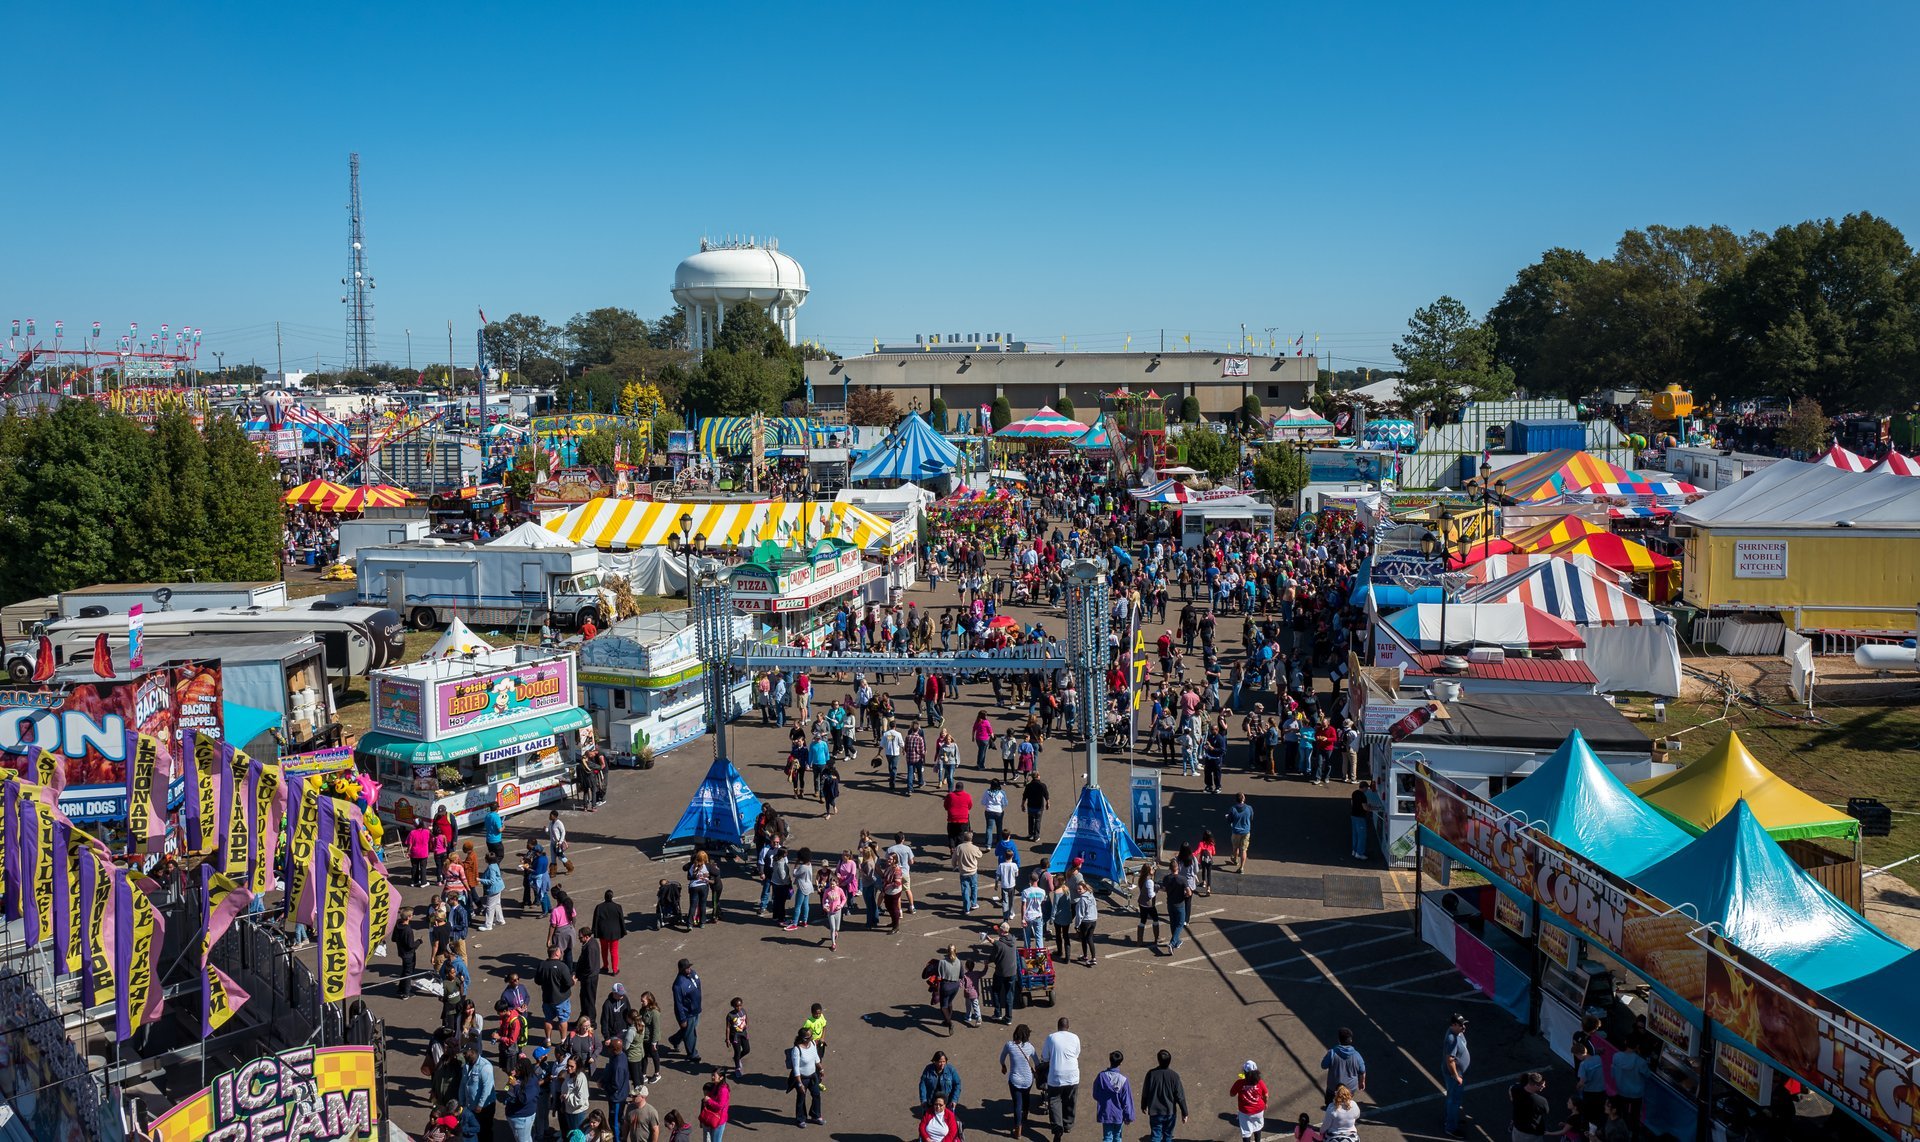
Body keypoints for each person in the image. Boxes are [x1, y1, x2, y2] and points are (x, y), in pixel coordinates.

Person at [1042, 1017, 1083, 1142]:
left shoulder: (1051, 1038)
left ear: (1058, 1027)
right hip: (1072, 1076)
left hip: (1056, 1077)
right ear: (1068, 1027)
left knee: (1054, 1102)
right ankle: (1067, 1124)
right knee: (1070, 1100)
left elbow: (1045, 1057)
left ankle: (1057, 1129)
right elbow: (1076, 1054)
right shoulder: (1075, 1037)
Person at [1140, 1050, 1189, 1142]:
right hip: (1169, 1112)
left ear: (1158, 1060)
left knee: (1155, 1136)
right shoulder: (1174, 1076)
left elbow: (1145, 1091)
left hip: (1155, 1112)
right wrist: (1184, 1112)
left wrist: (1143, 1105)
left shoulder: (1151, 1074)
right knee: (1168, 1136)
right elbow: (1180, 1096)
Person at [1001, 1022, 1040, 1133]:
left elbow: (1001, 1058)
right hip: (1028, 1079)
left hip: (1015, 1080)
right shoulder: (1030, 1047)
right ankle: (1026, 1113)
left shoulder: (1009, 1045)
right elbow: (1037, 1063)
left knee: (1017, 1104)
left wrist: (1003, 1066)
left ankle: (1018, 1129)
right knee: (1026, 1096)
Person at [535, 944, 575, 1044]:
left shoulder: (542, 965)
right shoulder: (562, 966)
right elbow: (569, 983)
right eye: (560, 951)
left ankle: (548, 1039)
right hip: (561, 999)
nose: (561, 952)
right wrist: (573, 981)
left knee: (548, 1019)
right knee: (563, 1020)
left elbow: (537, 981)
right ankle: (563, 1041)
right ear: (557, 953)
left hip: (547, 999)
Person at [1092, 1051, 1135, 1142]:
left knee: (1107, 1138)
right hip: (1119, 1114)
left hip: (1106, 1113)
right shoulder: (1123, 1080)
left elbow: (1096, 1094)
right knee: (1117, 1137)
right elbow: (1127, 1100)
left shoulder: (1101, 1076)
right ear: (1121, 1063)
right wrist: (1128, 1117)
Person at [1319, 1028, 1366, 1108]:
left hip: (1333, 1088)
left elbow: (1323, 1065)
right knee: (1346, 1104)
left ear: (1339, 1040)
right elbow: (1362, 1071)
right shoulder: (1357, 1055)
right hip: (1350, 1088)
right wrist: (1362, 1082)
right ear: (1350, 1040)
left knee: (1330, 1106)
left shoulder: (1332, 1053)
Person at [1441, 1014, 1470, 1138]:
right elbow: (1450, 1060)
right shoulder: (1452, 1039)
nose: (1464, 1027)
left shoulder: (1457, 1032)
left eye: (1464, 1024)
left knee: (1451, 1098)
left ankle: (1450, 1119)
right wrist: (1455, 1076)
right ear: (1453, 1025)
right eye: (1461, 1025)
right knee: (1454, 1101)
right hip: (1455, 1076)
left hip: (1457, 1073)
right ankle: (1451, 1127)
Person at [787, 1027, 824, 1126]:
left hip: (813, 1076)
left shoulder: (812, 1044)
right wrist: (799, 1083)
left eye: (810, 1037)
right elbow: (796, 1068)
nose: (808, 1039)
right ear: (801, 1038)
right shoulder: (797, 1049)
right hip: (802, 1078)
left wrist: (820, 1069)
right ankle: (801, 1119)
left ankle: (816, 1115)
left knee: (816, 1094)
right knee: (801, 1098)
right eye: (806, 1038)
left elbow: (816, 1057)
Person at [669, 959, 703, 1064]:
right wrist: (682, 1019)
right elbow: (678, 1003)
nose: (689, 969)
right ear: (681, 969)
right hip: (687, 1013)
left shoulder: (693, 973)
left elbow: (698, 986)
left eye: (689, 967)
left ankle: (675, 1039)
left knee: (690, 1029)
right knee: (691, 1033)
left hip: (696, 1009)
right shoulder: (678, 985)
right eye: (686, 968)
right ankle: (692, 1054)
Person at [1508, 1072, 1554, 1142]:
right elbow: (1546, 1111)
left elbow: (1511, 1088)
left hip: (1517, 1129)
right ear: (1535, 1085)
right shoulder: (1541, 1101)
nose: (1544, 1086)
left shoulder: (1515, 1089)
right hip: (1531, 1134)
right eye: (1542, 1084)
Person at [503, 1057, 540, 1142]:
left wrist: (515, 1085)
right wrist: (509, 1083)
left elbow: (524, 1099)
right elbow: (506, 1089)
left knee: (523, 1140)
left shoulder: (532, 1083)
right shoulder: (518, 1076)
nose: (514, 1071)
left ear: (524, 1070)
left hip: (522, 1118)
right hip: (513, 1114)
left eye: (517, 1070)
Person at [1231, 1061, 1269, 1142]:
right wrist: (1265, 1104)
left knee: (1246, 1132)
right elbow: (1266, 1095)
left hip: (1245, 1112)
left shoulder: (1239, 1083)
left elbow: (1232, 1094)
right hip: (1259, 1110)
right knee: (1258, 1127)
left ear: (1245, 1072)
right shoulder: (1260, 1082)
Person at [593, 889, 627, 975]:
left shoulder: (599, 907)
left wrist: (594, 931)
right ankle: (615, 969)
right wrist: (623, 931)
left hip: (603, 932)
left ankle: (605, 966)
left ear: (604, 897)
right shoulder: (617, 906)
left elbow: (595, 920)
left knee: (604, 950)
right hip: (614, 933)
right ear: (612, 897)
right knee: (614, 951)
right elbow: (621, 920)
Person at [953, 829, 982, 913]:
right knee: (974, 887)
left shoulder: (959, 847)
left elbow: (954, 859)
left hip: (963, 872)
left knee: (965, 889)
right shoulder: (974, 848)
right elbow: (980, 855)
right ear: (971, 838)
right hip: (973, 871)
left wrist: (954, 866)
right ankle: (973, 903)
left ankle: (966, 908)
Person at [1072, 881, 1099, 966]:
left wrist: (1076, 925)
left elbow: (1080, 914)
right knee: (1090, 939)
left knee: (1083, 939)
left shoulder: (1082, 900)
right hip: (1093, 920)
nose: (1078, 890)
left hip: (1085, 922)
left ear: (1085, 888)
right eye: (1077, 889)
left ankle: (1085, 956)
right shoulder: (1091, 896)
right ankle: (1093, 958)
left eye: (1080, 889)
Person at [697, 1071, 730, 1142]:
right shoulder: (716, 1086)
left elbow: (720, 1106)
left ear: (721, 1077)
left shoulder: (723, 1090)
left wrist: (709, 1100)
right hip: (713, 1117)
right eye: (712, 1075)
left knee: (716, 1140)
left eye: (714, 1076)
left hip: (719, 1120)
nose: (712, 1077)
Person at [724, 996, 750, 1076]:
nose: (739, 1007)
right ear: (733, 1006)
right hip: (735, 1036)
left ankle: (737, 1059)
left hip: (743, 1034)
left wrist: (746, 1026)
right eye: (737, 1006)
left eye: (740, 1005)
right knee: (737, 1051)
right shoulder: (730, 1015)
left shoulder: (743, 1011)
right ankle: (737, 1068)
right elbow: (728, 1028)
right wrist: (727, 1039)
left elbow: (746, 1019)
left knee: (746, 1049)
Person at [1227, 793, 1253, 872]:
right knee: (1244, 849)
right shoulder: (1249, 808)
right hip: (1246, 831)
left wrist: (1227, 817)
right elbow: (1251, 818)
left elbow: (1230, 820)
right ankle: (1241, 868)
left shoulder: (1233, 809)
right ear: (1243, 799)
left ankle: (1235, 859)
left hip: (1236, 831)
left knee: (1235, 847)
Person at [1022, 776, 1050, 840]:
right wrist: (1048, 803)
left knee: (1030, 820)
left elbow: (1024, 796)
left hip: (1030, 806)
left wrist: (1022, 805)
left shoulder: (1028, 786)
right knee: (1038, 821)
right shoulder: (1042, 785)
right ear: (1038, 777)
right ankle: (1036, 836)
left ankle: (1030, 834)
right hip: (1039, 806)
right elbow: (1046, 795)